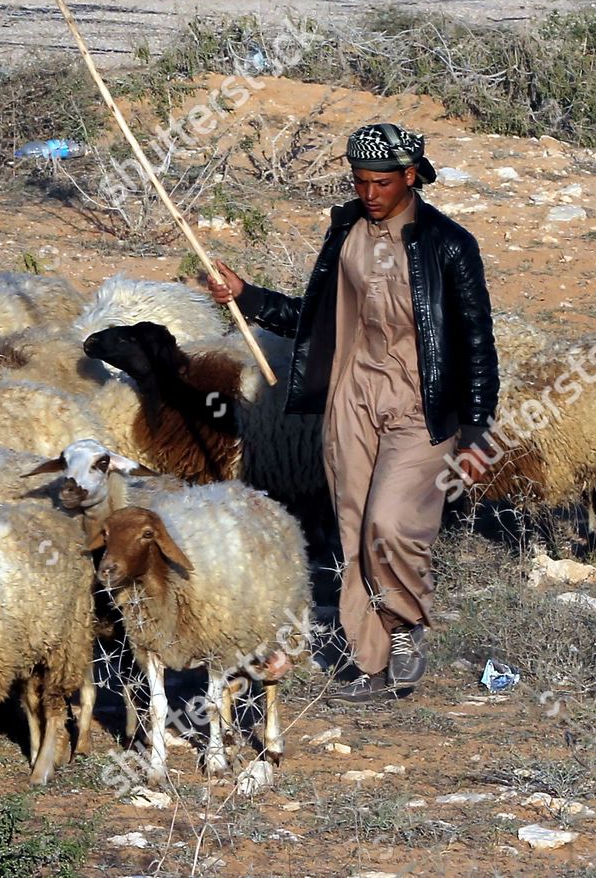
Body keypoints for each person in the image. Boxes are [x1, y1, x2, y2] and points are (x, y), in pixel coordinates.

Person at [206, 123, 498, 702]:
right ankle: (370, 663)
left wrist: (477, 431)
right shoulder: (345, 234)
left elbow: (475, 341)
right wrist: (248, 297)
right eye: (361, 182)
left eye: (381, 182)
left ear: (410, 176)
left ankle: (407, 626)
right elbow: (313, 320)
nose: (369, 194)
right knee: (353, 529)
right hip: (352, 401)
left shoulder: (448, 244)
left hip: (423, 407)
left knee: (392, 522)